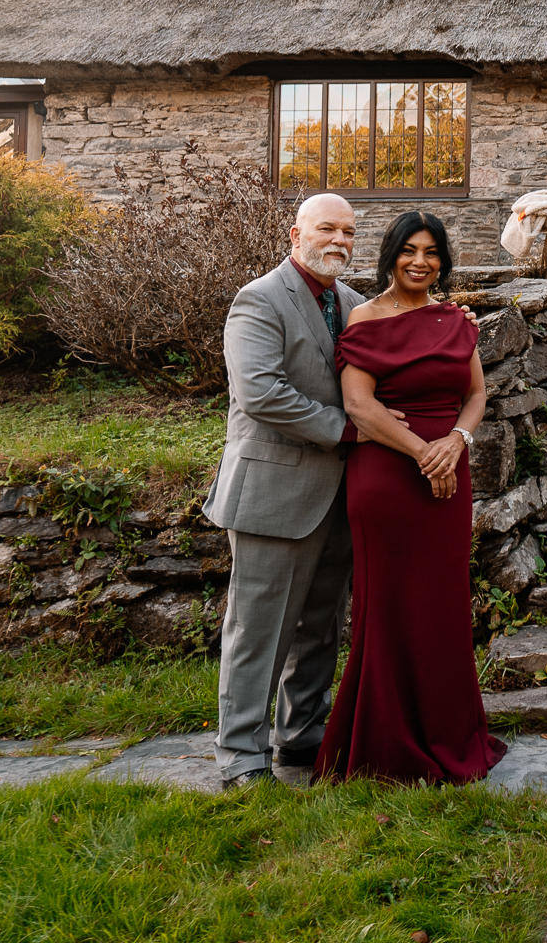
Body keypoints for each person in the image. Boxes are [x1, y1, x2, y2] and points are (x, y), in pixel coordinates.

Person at [314, 212, 508, 784]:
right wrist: (425, 452)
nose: (420, 262)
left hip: (450, 473)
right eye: (409, 250)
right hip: (387, 477)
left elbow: (477, 393)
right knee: (389, 609)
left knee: (442, 608)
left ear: (443, 261)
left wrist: (456, 441)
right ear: (390, 255)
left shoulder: (455, 320)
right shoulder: (363, 318)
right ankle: (383, 742)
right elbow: (359, 406)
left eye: (431, 252)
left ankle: (449, 733)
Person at [206, 193, 366, 790]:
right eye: (327, 228)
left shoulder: (351, 303)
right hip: (273, 493)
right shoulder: (259, 299)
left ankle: (302, 738)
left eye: (349, 232)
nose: (339, 241)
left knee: (321, 625)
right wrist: (349, 431)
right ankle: (241, 756)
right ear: (296, 232)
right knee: (258, 630)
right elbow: (261, 392)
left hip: (336, 498)